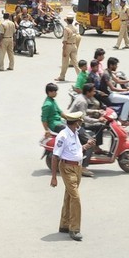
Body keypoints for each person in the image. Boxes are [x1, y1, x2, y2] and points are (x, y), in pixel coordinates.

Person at [50, 110, 89, 241]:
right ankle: (74, 229)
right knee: (76, 198)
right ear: (76, 122)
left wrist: (86, 146)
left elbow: (74, 150)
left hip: (77, 167)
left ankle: (64, 224)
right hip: (67, 169)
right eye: (80, 121)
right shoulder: (63, 136)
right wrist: (54, 177)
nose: (80, 123)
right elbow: (55, 157)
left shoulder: (74, 133)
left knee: (69, 196)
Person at [57, 16, 81, 82]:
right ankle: (80, 76)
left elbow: (65, 41)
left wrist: (64, 50)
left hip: (68, 46)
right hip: (74, 45)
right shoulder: (75, 28)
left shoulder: (66, 29)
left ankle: (62, 76)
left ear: (67, 21)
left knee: (65, 62)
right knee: (75, 62)